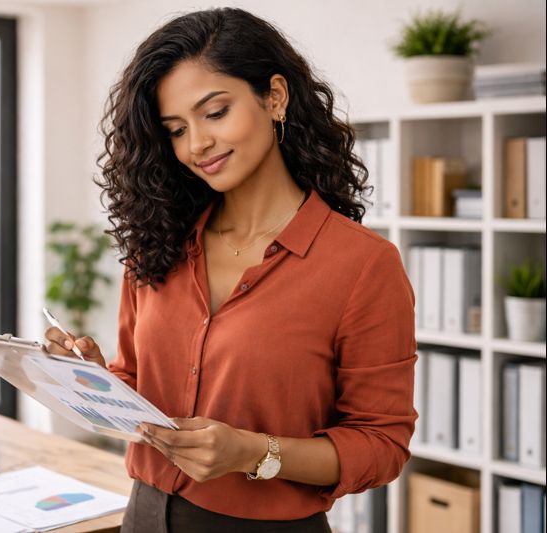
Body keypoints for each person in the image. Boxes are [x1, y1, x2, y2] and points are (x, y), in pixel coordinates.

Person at [45, 7, 416, 533]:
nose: (196, 145)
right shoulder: (159, 245)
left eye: (215, 113)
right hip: (142, 517)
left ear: (275, 97)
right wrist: (90, 379)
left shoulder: (362, 266)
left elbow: (382, 445)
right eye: (176, 129)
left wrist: (254, 453)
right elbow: (139, 385)